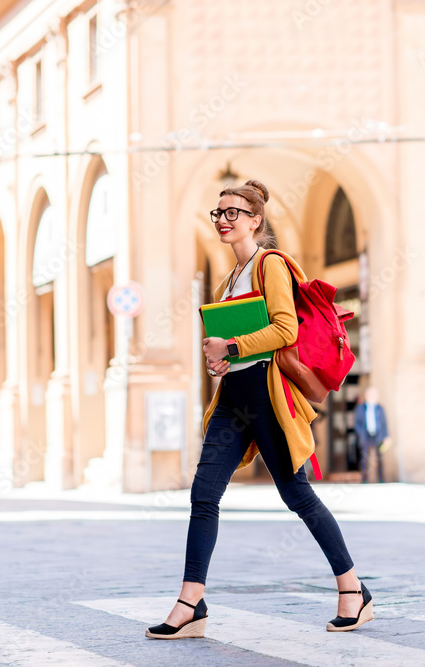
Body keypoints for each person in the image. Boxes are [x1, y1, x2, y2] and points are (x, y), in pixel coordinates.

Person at [145, 179, 373, 639]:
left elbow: (285, 329)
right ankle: (191, 603)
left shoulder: (270, 264)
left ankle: (353, 590)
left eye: (233, 213)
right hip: (232, 398)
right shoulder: (231, 277)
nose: (224, 220)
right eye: (219, 213)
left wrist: (229, 343)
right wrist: (220, 357)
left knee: (297, 495)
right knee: (203, 495)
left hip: (268, 398)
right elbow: (239, 344)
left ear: (255, 220)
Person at [354, 386, 388, 484]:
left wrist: (386, 436)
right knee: (365, 459)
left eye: (376, 395)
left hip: (378, 436)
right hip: (366, 436)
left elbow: (384, 423)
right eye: (372, 394)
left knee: (380, 459)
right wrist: (361, 434)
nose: (374, 397)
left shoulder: (380, 408)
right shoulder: (361, 408)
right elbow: (357, 423)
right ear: (367, 396)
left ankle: (381, 480)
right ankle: (364, 480)